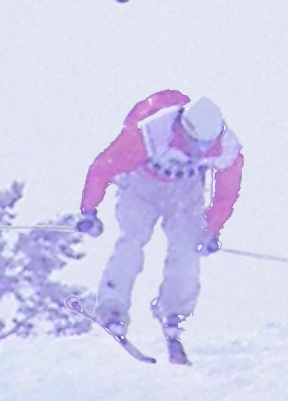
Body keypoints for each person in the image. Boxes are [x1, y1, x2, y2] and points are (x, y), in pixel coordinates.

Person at [73, 91, 243, 340]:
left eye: (206, 146)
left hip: (185, 191)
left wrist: (212, 230)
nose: (199, 151)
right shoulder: (150, 132)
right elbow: (105, 166)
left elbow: (227, 193)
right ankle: (112, 307)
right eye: (194, 143)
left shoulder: (225, 148)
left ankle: (175, 310)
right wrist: (89, 210)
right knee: (132, 239)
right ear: (182, 129)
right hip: (142, 184)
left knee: (187, 249)